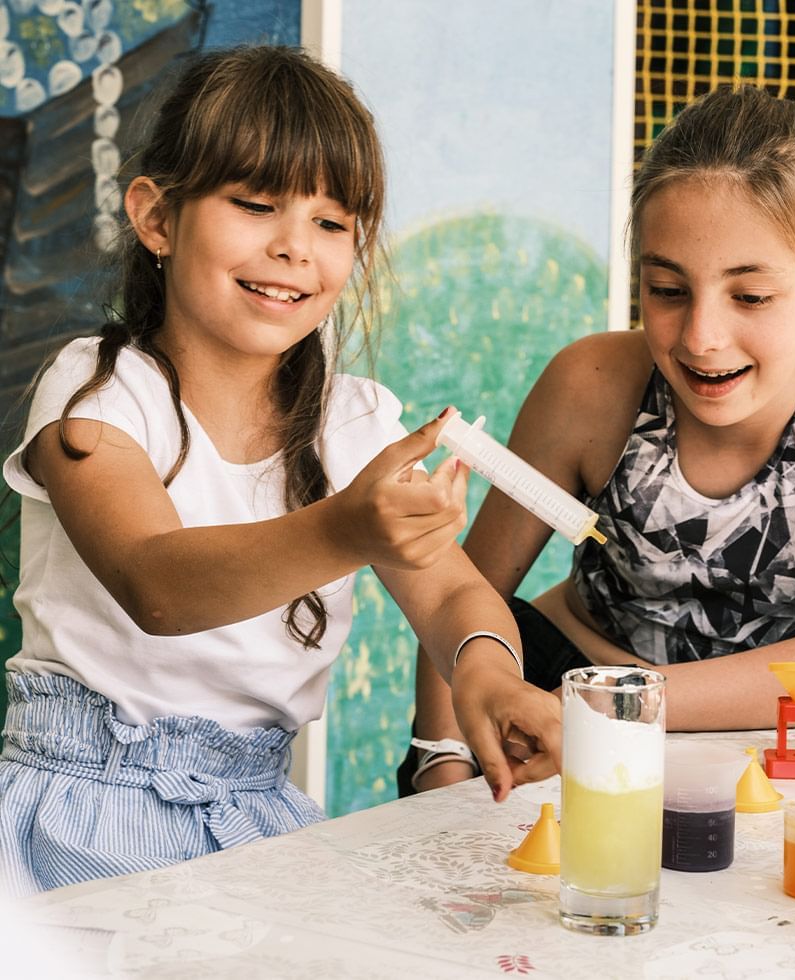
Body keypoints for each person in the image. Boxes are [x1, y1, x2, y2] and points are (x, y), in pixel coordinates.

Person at [0, 46, 560, 897]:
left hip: (256, 820)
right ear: (156, 218)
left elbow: (450, 594)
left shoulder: (355, 421)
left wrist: (486, 672)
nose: (296, 248)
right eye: (256, 204)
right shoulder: (99, 389)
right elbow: (159, 586)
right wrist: (348, 528)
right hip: (74, 813)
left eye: (332, 224)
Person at [401, 84, 795, 794]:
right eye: (668, 290)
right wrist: (441, 761)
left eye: (749, 296)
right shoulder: (589, 383)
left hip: (733, 729)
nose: (702, 338)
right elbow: (462, 599)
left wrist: (610, 708)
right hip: (554, 704)